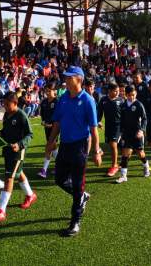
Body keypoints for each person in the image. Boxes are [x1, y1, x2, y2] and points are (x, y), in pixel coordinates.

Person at [44, 66, 102, 237]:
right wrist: (50, 141)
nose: (66, 80)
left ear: (79, 79)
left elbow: (93, 129)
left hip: (80, 147)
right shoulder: (62, 99)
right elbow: (57, 123)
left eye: (70, 78)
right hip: (64, 145)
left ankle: (75, 221)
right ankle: (82, 196)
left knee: (77, 185)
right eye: (66, 78)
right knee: (59, 179)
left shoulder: (88, 100)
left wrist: (96, 151)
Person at [0, 92, 36, 223]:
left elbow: (30, 134)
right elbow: (6, 130)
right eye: (3, 104)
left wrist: (20, 144)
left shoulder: (21, 115)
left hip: (18, 151)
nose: (4, 106)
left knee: (9, 177)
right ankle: (30, 195)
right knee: (18, 172)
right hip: (7, 150)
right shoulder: (6, 114)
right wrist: (0, 133)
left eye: (7, 104)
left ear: (15, 103)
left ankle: (1, 210)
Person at [115, 85, 149, 184]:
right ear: (126, 95)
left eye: (133, 95)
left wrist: (141, 130)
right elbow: (121, 120)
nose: (131, 97)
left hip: (137, 133)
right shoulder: (123, 105)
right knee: (125, 154)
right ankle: (123, 175)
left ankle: (146, 166)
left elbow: (144, 119)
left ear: (136, 94)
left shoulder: (139, 105)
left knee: (140, 153)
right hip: (127, 134)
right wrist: (120, 132)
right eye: (129, 95)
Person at [97, 82, 123, 177]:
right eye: (115, 91)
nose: (117, 93)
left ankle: (114, 166)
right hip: (108, 126)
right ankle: (121, 162)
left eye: (118, 91)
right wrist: (98, 121)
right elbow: (99, 113)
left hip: (118, 126)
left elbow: (125, 113)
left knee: (113, 145)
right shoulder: (103, 100)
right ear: (109, 91)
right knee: (114, 145)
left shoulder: (121, 100)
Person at [37, 84, 59, 178]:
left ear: (55, 91)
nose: (48, 93)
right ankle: (61, 166)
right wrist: (43, 122)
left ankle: (44, 170)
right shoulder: (44, 102)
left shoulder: (57, 102)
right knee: (53, 147)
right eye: (47, 91)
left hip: (55, 128)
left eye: (50, 91)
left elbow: (59, 116)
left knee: (48, 147)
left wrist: (52, 124)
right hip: (46, 127)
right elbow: (42, 114)